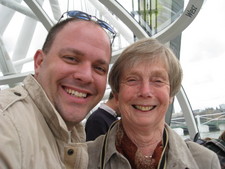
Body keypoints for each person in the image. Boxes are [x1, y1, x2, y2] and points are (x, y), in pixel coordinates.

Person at [0, 10, 116, 169]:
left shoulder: (72, 136)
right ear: (39, 63)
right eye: (71, 58)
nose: (86, 76)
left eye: (99, 68)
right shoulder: (7, 126)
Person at [87, 38, 221, 169]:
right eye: (132, 80)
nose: (145, 91)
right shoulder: (81, 160)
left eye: (158, 81)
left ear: (171, 95)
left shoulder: (205, 161)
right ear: (117, 95)